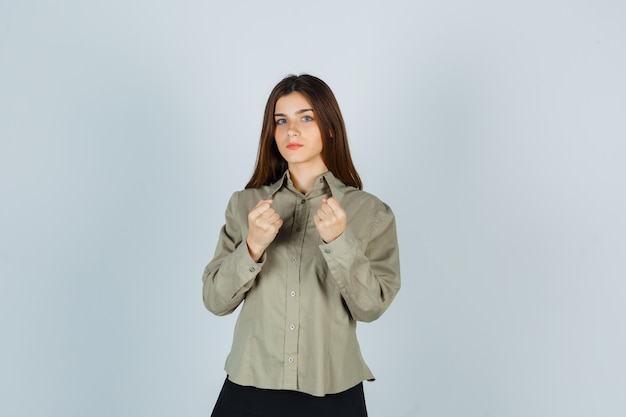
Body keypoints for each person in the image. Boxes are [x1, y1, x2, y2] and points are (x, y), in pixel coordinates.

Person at [202, 74, 401, 417]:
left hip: (332, 390)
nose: (291, 130)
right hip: (250, 386)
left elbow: (370, 308)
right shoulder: (246, 205)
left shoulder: (371, 213)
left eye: (305, 117)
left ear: (331, 128)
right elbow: (215, 301)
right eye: (281, 121)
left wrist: (340, 242)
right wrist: (251, 247)